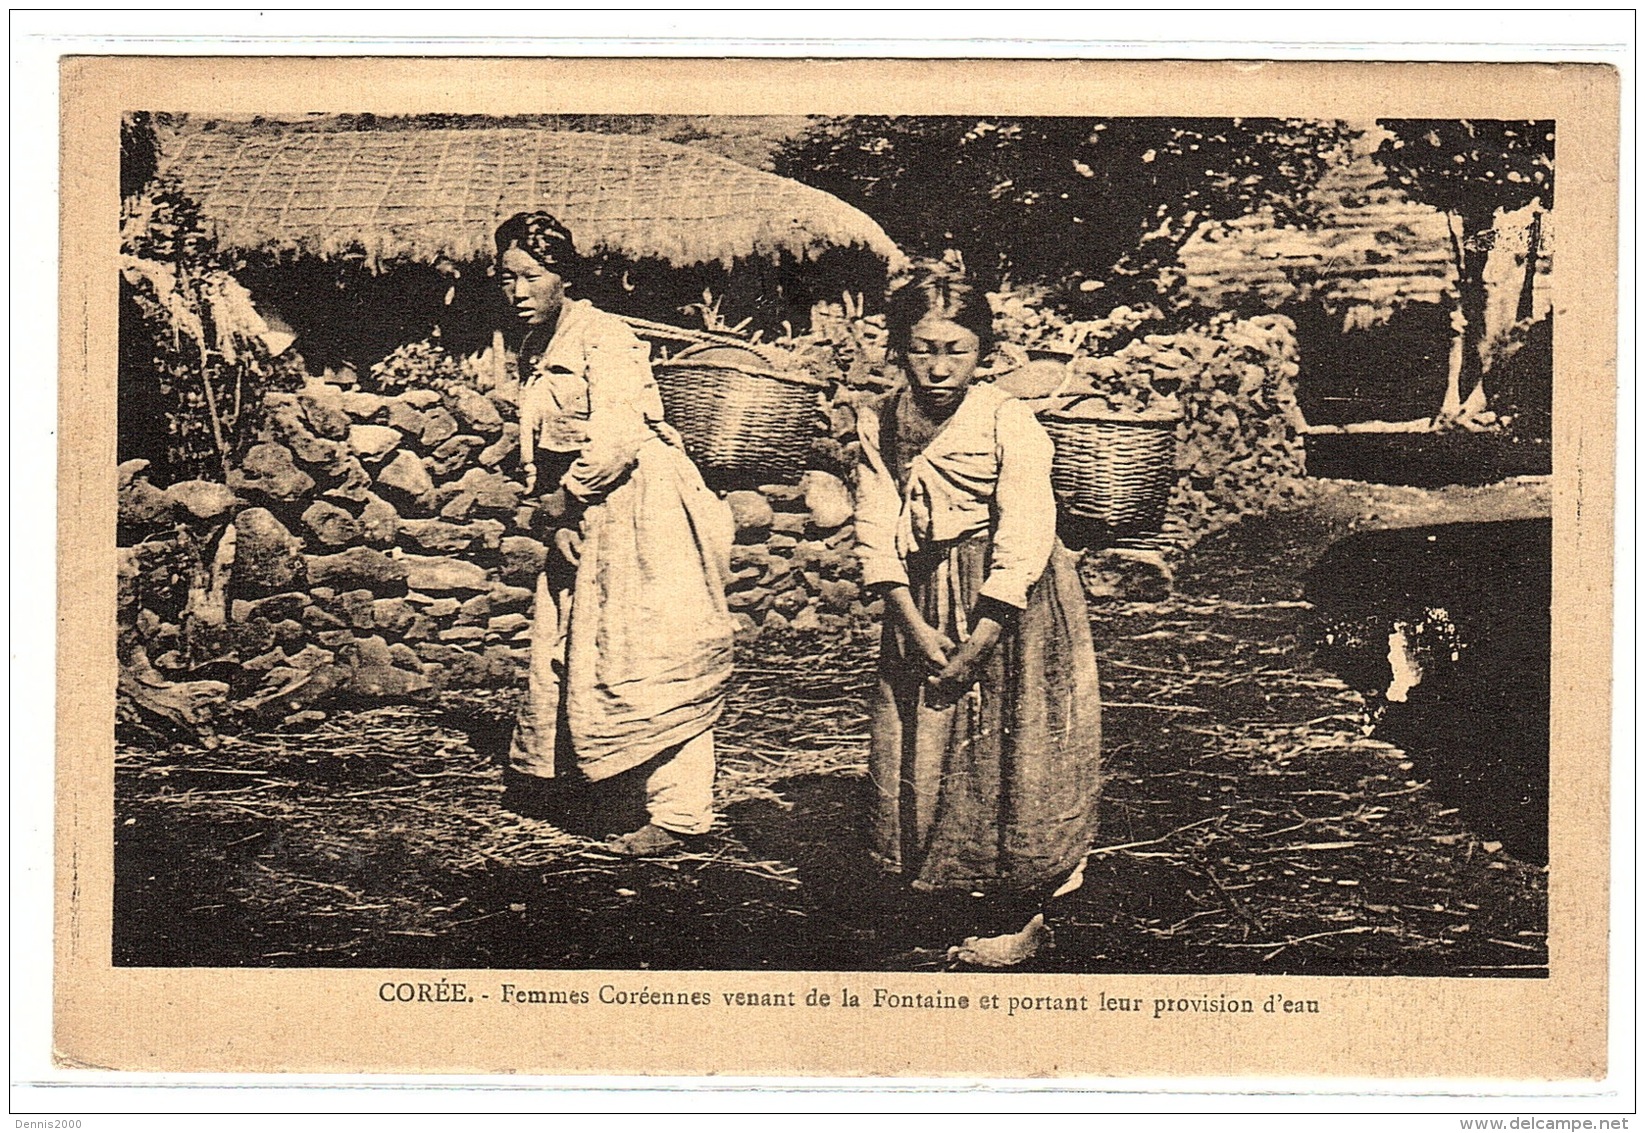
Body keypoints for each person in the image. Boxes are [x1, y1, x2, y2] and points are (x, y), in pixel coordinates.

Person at [852, 264, 1103, 966]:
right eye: (922, 347)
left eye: (954, 350)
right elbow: (875, 521)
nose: (937, 366)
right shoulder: (881, 419)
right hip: (925, 596)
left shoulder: (1004, 419)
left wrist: (983, 634)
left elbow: (1025, 526)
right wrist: (909, 620)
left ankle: (1021, 907)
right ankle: (940, 879)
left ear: (982, 352)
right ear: (898, 346)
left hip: (1011, 602)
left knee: (1012, 748)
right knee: (924, 740)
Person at [496, 211, 736, 856]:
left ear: (562, 276)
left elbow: (619, 439)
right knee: (585, 647)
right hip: (590, 508)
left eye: (530, 275)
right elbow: (542, 445)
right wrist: (561, 518)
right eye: (507, 277)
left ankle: (679, 814)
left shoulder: (604, 338)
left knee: (655, 653)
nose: (516, 290)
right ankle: (593, 779)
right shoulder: (538, 346)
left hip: (648, 510)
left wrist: (565, 503)